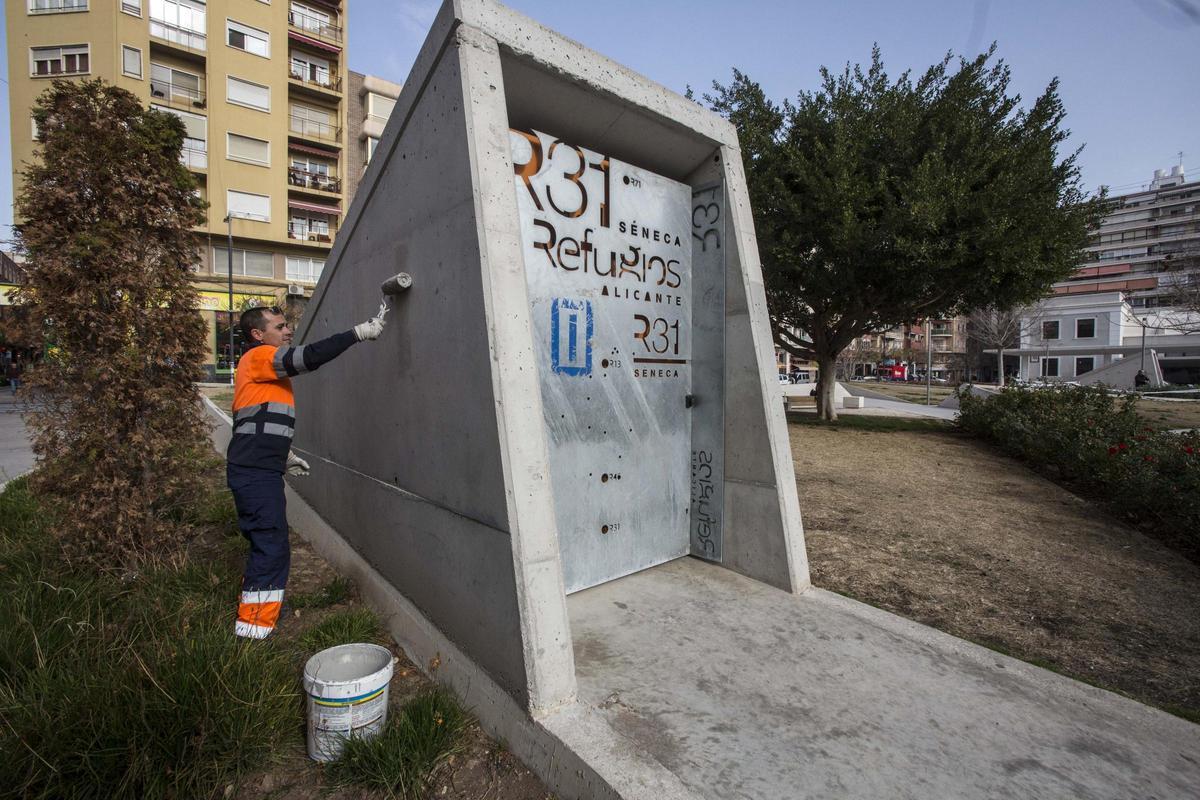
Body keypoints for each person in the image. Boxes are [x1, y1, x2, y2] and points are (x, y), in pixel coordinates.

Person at [228, 305, 385, 640]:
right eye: (280, 326)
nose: (288, 331)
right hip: (255, 473)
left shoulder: (261, 372)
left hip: (259, 469)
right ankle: (252, 633)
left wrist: (282, 456)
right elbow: (308, 357)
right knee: (271, 544)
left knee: (268, 541)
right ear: (258, 334)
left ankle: (255, 623)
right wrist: (357, 333)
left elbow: (254, 422)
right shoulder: (259, 357)